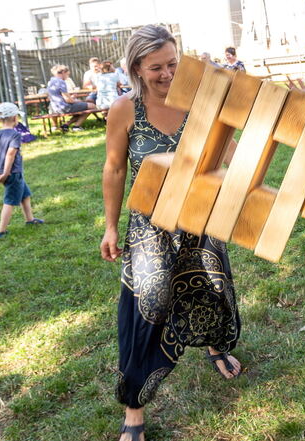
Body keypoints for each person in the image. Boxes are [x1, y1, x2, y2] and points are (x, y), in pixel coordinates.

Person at [100, 25, 242, 441]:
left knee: (212, 288)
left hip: (199, 217)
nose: (166, 74)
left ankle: (216, 346)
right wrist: (110, 226)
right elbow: (114, 169)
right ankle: (134, 407)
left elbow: (228, 154)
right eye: (156, 67)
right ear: (137, 68)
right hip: (149, 226)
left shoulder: (199, 101)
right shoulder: (124, 109)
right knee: (145, 309)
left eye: (173, 64)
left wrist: (231, 119)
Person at [0, 102, 44, 239]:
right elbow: (10, 153)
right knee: (10, 201)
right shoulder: (15, 135)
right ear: (15, 118)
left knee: (25, 195)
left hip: (4, 173)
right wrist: (7, 172)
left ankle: (30, 220)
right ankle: (1, 231)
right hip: (12, 173)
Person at [47, 64, 96, 132]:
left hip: (55, 108)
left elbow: (60, 96)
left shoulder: (51, 81)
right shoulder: (61, 82)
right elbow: (68, 100)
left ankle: (66, 124)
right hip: (64, 107)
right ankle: (76, 126)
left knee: (83, 107)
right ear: (63, 72)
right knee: (92, 106)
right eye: (67, 75)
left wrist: (72, 99)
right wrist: (77, 101)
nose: (67, 77)